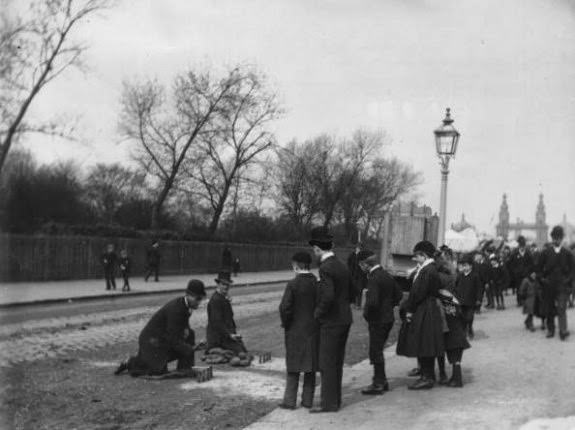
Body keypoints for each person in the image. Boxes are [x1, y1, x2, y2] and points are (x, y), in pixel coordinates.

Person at [114, 280, 206, 377]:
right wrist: (190, 349)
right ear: (188, 295)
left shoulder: (185, 305)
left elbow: (182, 330)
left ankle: (185, 367)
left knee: (190, 334)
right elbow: (174, 340)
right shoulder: (176, 310)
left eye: (201, 298)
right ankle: (131, 362)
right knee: (156, 370)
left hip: (161, 338)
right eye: (198, 298)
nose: (199, 302)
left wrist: (191, 341)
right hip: (151, 340)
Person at [309, 226, 355, 413]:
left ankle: (328, 404)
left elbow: (327, 297)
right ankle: (335, 401)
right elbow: (353, 292)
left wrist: (317, 314)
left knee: (327, 362)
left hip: (332, 322)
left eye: (314, 249)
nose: (314, 252)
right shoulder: (341, 265)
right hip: (345, 319)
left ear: (318, 249)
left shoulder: (325, 268)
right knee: (337, 362)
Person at [396, 240, 445, 390]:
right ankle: (427, 374)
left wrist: (409, 310)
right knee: (425, 343)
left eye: (416, 256)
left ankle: (427, 377)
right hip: (426, 308)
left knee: (424, 343)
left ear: (424, 256)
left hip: (424, 309)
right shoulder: (427, 269)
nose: (414, 259)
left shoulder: (427, 271)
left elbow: (418, 294)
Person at [357, 249, 402, 395]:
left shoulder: (374, 278)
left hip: (378, 320)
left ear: (365, 265)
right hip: (388, 318)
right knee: (378, 350)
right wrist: (389, 306)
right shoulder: (386, 275)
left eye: (360, 266)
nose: (360, 268)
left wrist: (367, 315)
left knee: (375, 351)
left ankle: (378, 383)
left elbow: (372, 302)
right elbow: (399, 294)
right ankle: (381, 381)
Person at [278, 252, 319, 410]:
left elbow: (284, 308)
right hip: (313, 330)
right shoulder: (316, 282)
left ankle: (289, 401)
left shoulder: (293, 284)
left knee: (293, 366)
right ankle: (307, 400)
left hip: (295, 330)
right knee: (310, 367)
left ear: (296, 265)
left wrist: (286, 323)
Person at [537, 226, 574, 340]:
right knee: (550, 308)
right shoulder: (545, 253)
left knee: (562, 308)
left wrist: (567, 280)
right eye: (554, 238)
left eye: (558, 238)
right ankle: (551, 329)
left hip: (562, 285)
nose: (556, 240)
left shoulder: (567, 253)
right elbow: (538, 269)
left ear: (562, 239)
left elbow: (573, 270)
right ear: (552, 238)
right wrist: (542, 280)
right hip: (549, 285)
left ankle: (563, 330)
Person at [206, 271, 247, 355]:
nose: (226, 287)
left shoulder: (223, 298)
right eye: (223, 284)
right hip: (218, 336)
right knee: (239, 352)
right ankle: (214, 349)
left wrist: (233, 333)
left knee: (242, 348)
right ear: (218, 284)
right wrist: (229, 335)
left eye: (227, 285)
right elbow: (217, 323)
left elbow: (230, 318)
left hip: (226, 334)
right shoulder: (216, 300)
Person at [436, 289, 470, 387]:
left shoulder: (443, 308)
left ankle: (457, 381)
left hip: (452, 338)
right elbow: (462, 318)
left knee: (454, 360)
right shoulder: (454, 306)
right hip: (460, 336)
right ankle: (454, 378)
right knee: (457, 360)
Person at [454, 253, 483, 339]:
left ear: (471, 266)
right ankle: (464, 331)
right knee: (462, 318)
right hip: (461, 300)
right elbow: (455, 287)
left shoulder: (475, 276)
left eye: (466, 265)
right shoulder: (460, 276)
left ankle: (469, 328)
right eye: (463, 265)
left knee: (469, 317)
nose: (464, 267)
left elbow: (479, 289)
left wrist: (479, 299)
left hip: (471, 301)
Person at [507, 236, 535, 306]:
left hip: (526, 274)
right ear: (519, 246)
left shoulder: (528, 253)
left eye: (523, 246)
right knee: (518, 288)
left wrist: (529, 271)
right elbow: (510, 263)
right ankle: (519, 301)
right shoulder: (514, 253)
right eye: (521, 246)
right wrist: (514, 271)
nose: (522, 247)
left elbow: (532, 263)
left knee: (526, 288)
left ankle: (525, 301)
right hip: (518, 274)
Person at [347, 243, 367, 308]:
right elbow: (349, 263)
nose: (359, 249)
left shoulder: (363, 256)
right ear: (356, 248)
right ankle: (353, 303)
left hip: (361, 275)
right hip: (353, 275)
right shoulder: (352, 255)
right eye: (358, 248)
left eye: (360, 248)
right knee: (353, 289)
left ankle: (358, 305)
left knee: (359, 289)